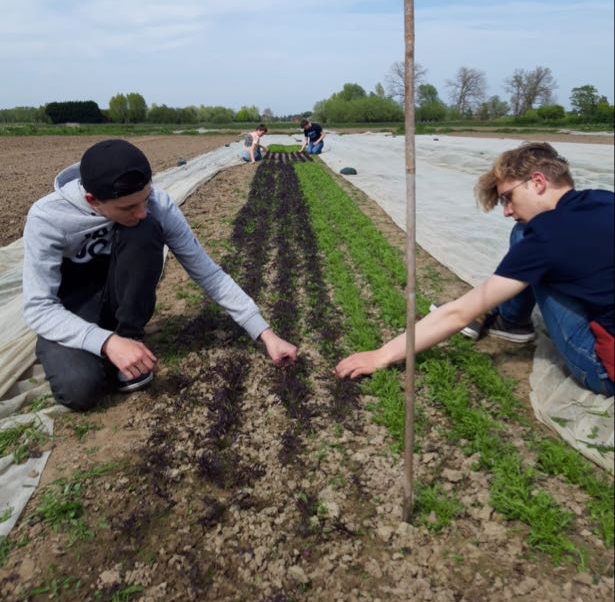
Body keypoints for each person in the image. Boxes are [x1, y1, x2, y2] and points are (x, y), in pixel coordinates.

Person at [23, 139, 298, 411]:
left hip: (119, 294)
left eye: (145, 199)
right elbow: (39, 307)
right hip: (73, 307)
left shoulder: (158, 204)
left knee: (145, 229)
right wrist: (105, 342)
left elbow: (208, 273)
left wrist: (266, 334)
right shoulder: (49, 217)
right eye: (128, 207)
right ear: (92, 200)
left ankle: (129, 336)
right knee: (81, 389)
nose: (142, 211)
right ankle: (104, 346)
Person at [335, 142, 614, 397]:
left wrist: (381, 355)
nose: (506, 210)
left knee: (525, 240)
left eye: (508, 197)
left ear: (538, 182)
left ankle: (510, 321)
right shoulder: (604, 199)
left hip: (603, 371)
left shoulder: (546, 237)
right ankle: (511, 319)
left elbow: (458, 314)